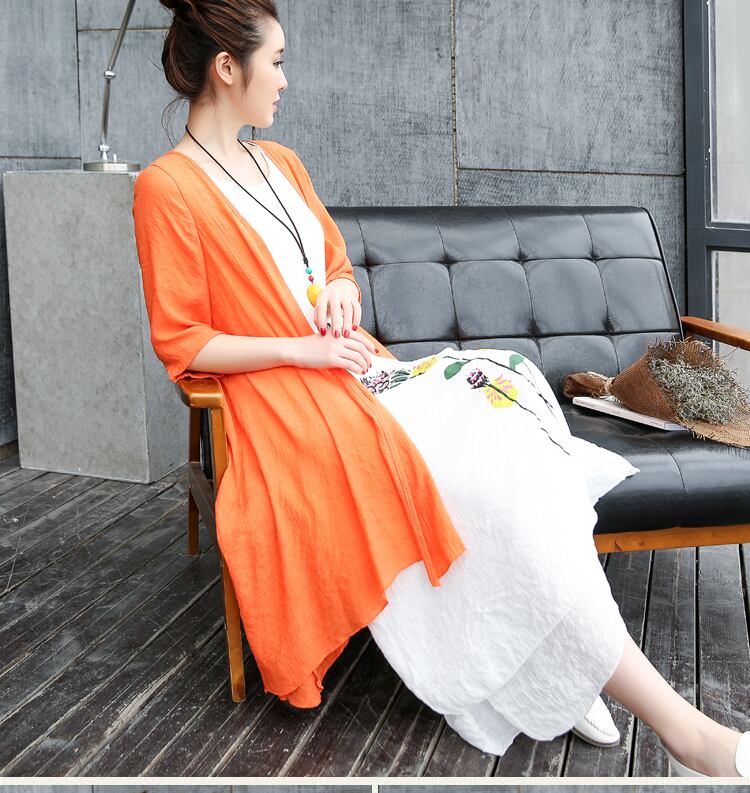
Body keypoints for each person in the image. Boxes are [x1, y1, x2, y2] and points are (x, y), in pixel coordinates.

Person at [132, 0, 749, 777]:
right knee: (480, 485)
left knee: (510, 424)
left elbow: (332, 263)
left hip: (362, 368)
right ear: (228, 68)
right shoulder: (166, 188)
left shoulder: (281, 163)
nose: (285, 79)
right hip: (300, 401)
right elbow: (184, 339)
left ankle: (572, 665)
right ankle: (679, 728)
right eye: (276, 62)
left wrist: (339, 293)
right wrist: (303, 348)